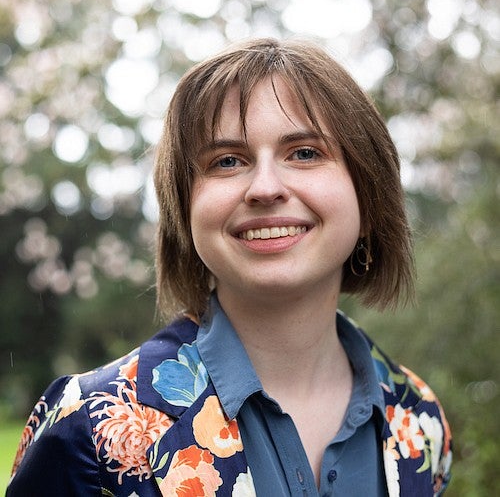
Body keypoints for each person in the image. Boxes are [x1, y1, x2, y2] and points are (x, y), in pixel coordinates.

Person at [8, 38, 452, 496]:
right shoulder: (90, 429)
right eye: (227, 161)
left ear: (368, 193)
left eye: (304, 152)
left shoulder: (419, 421)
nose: (265, 187)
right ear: (184, 210)